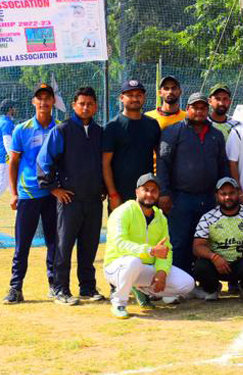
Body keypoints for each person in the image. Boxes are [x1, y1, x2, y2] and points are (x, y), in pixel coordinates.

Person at [37, 87, 106, 305]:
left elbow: (104, 164)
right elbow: (43, 162)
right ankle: (60, 289)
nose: (86, 107)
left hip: (94, 200)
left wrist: (103, 186)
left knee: (90, 245)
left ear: (95, 106)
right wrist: (54, 189)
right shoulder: (62, 130)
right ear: (74, 104)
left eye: (90, 103)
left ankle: (87, 287)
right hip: (69, 200)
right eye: (81, 103)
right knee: (63, 246)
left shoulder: (99, 132)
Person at [102, 173, 195, 319]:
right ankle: (119, 302)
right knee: (133, 262)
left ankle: (143, 290)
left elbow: (166, 249)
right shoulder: (123, 212)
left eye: (154, 191)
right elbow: (120, 243)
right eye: (145, 189)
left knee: (187, 284)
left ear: (158, 194)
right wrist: (150, 251)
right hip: (117, 267)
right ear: (137, 192)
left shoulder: (160, 218)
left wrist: (162, 272)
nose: (149, 194)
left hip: (143, 268)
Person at [157, 92, 230, 274]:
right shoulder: (173, 131)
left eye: (203, 107)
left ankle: (201, 282)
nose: (199, 111)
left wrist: (223, 192)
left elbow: (222, 165)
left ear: (208, 109)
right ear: (187, 109)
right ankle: (179, 282)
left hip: (208, 198)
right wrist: (164, 192)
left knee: (204, 241)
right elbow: (163, 164)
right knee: (180, 241)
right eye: (194, 107)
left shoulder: (216, 135)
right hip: (181, 197)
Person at [3, 84, 59, 305]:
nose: (44, 102)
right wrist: (14, 192)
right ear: (33, 102)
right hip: (28, 195)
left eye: (48, 98)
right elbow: (13, 161)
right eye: (40, 99)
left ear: (54, 102)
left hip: (53, 194)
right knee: (22, 244)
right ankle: (16, 288)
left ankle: (55, 286)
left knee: (54, 242)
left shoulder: (60, 128)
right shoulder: (22, 129)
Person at [192, 177, 243, 301]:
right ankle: (212, 288)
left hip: (242, 265)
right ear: (217, 195)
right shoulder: (207, 217)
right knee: (200, 266)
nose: (227, 197)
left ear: (238, 193)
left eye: (231, 193)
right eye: (223, 194)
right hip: (217, 265)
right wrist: (214, 258)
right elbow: (197, 247)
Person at [102, 79, 162, 211]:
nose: (135, 98)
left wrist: (159, 189)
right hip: (120, 195)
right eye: (130, 95)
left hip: (148, 195)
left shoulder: (152, 124)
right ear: (121, 98)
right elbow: (105, 164)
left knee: (148, 231)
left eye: (139, 95)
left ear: (144, 97)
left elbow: (160, 158)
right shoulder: (112, 127)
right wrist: (112, 194)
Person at [0, 99, 16, 196]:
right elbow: (7, 142)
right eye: (14, 107)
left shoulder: (2, 120)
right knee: (2, 184)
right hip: (5, 159)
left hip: (3, 159)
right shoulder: (6, 122)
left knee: (13, 186)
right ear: (10, 109)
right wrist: (14, 158)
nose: (15, 109)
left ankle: (19, 211)